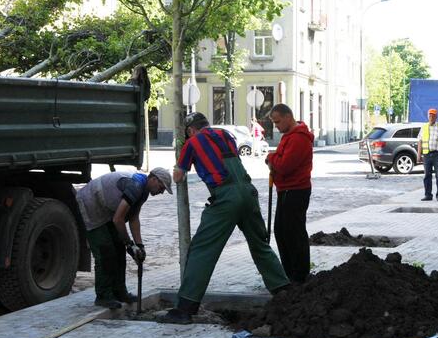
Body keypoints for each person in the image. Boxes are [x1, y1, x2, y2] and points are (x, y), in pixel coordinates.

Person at [159, 112, 291, 324]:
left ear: (190, 131)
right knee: (260, 245)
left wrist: (180, 158)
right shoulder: (225, 134)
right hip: (248, 193)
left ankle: (185, 308)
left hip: (225, 198)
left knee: (202, 250)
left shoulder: (192, 143)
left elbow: (179, 176)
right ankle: (284, 291)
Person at [76, 167, 173, 309]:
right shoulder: (136, 186)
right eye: (162, 186)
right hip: (91, 204)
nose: (162, 191)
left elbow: (133, 218)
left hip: (106, 209)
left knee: (119, 249)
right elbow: (118, 219)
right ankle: (103, 296)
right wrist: (129, 244)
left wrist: (139, 245)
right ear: (153, 179)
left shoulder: (143, 191)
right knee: (105, 251)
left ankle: (119, 292)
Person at [266, 104, 314, 283]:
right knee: (282, 230)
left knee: (293, 232)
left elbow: (284, 166)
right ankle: (291, 272)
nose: (276, 126)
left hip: (295, 190)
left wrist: (271, 158)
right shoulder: (289, 137)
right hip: (286, 189)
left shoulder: (298, 138)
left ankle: (298, 274)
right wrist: (274, 158)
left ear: (288, 117)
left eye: (278, 122)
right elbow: (280, 159)